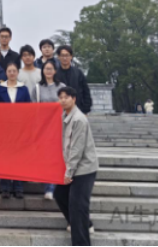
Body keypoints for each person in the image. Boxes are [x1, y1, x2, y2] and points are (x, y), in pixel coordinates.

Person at [55, 86, 99, 247]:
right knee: (60, 194)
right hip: (73, 166)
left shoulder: (79, 119)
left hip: (84, 169)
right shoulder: (64, 116)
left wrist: (69, 172)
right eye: (60, 97)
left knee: (78, 206)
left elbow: (76, 149)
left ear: (73, 99)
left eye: (66, 97)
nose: (63, 100)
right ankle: (84, 223)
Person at [31, 61, 67, 201]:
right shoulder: (37, 87)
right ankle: (48, 187)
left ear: (55, 71)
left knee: (55, 157)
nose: (49, 71)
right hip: (43, 127)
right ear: (43, 71)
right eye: (46, 69)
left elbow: (66, 103)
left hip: (58, 126)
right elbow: (33, 107)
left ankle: (52, 188)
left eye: (51, 69)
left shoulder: (61, 87)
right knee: (46, 157)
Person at [0, 63, 31, 199]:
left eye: (14, 71)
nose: (11, 73)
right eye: (9, 71)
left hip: (20, 128)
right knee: (4, 157)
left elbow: (28, 109)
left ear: (17, 73)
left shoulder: (24, 89)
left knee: (19, 157)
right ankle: (5, 187)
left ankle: (18, 187)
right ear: (6, 73)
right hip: (3, 129)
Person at [56, 46, 93, 115]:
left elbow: (86, 91)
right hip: (60, 111)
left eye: (67, 55)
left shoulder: (78, 72)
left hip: (78, 109)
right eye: (62, 55)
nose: (65, 58)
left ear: (71, 56)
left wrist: (86, 109)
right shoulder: (55, 74)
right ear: (58, 57)